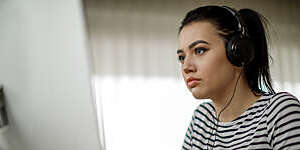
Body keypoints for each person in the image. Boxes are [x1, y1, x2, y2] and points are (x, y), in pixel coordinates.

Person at [177, 5, 300, 149]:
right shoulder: (201, 120)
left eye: (199, 50)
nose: (186, 67)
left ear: (238, 53)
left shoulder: (279, 111)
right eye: (181, 57)